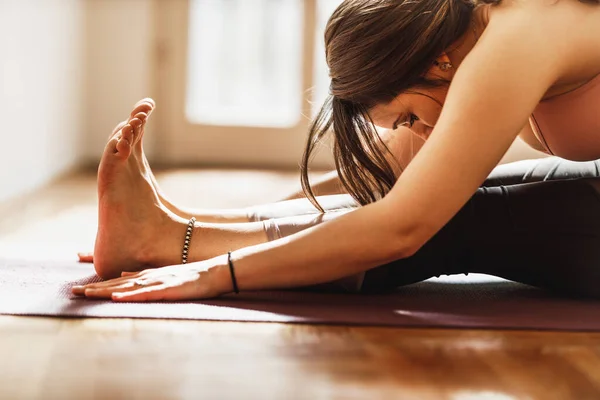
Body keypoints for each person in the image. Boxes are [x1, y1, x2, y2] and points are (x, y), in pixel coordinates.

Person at [73, 0, 600, 301]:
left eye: (409, 116)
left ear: (434, 62)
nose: (412, 131)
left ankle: (172, 244)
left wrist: (214, 272)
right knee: (430, 196)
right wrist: (200, 220)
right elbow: (384, 173)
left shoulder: (515, 41)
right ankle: (164, 236)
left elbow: (402, 225)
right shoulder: (478, 38)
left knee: (446, 221)